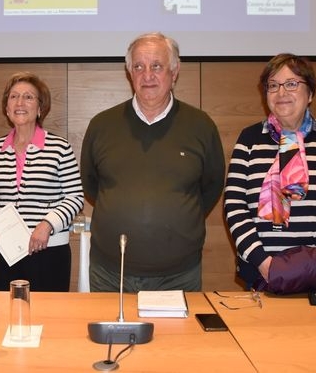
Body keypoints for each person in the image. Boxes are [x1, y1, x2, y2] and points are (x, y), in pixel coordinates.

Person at [81, 32, 225, 292]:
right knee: (111, 334)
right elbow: (92, 185)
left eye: (156, 66)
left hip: (179, 275)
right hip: (111, 273)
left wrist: (177, 217)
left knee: (179, 335)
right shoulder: (102, 125)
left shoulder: (201, 126)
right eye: (138, 67)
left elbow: (211, 186)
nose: (147, 75)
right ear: (129, 73)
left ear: (174, 71)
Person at [223, 53, 316, 292]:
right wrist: (265, 264)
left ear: (311, 94)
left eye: (292, 84)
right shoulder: (249, 139)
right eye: (273, 86)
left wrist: (310, 264)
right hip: (261, 274)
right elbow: (234, 207)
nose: (281, 93)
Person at [0, 72, 84, 292]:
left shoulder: (59, 148)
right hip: (5, 252)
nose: (20, 102)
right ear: (6, 108)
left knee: (50, 319)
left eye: (28, 97)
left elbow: (75, 197)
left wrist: (47, 225)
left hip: (49, 252)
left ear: (40, 108)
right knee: (8, 316)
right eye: (14, 97)